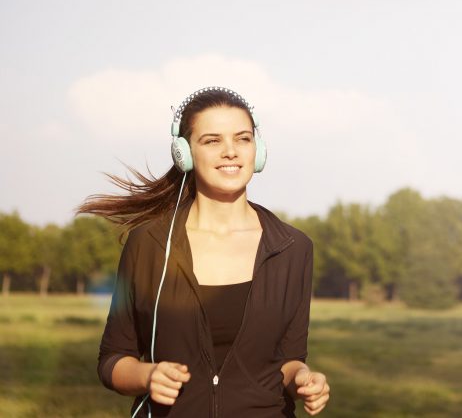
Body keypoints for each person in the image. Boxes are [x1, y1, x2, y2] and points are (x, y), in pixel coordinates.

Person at [78, 87, 330, 417]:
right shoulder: (151, 244)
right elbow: (113, 359)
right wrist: (148, 375)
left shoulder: (294, 248)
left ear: (259, 149)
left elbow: (288, 360)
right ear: (183, 153)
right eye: (212, 140)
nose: (231, 152)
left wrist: (303, 379)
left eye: (242, 138)